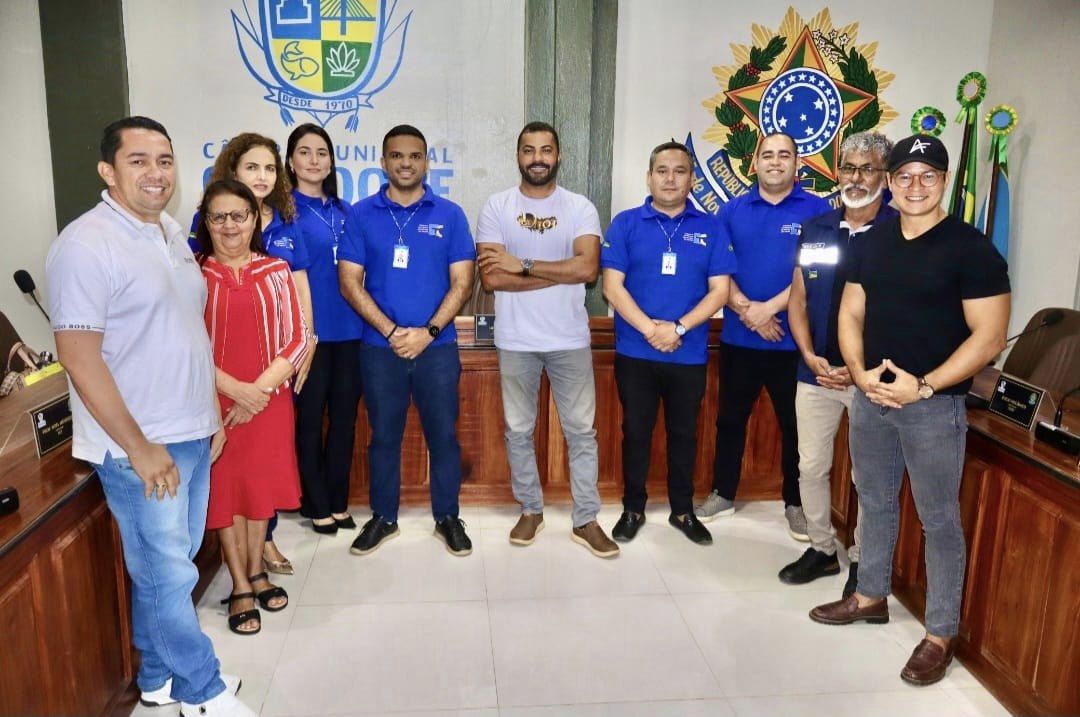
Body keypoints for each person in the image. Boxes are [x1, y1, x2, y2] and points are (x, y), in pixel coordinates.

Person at [46, 116, 252, 716]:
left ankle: (158, 679)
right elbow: (78, 357)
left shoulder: (167, 233)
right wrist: (138, 446)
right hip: (140, 444)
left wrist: (208, 417)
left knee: (173, 566)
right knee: (165, 570)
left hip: (189, 431)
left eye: (164, 159)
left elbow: (184, 334)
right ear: (108, 171)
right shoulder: (85, 244)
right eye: (138, 161)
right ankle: (202, 691)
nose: (155, 172)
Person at [809, 135, 1010, 686]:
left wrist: (922, 387)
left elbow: (989, 336)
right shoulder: (874, 242)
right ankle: (870, 594)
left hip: (932, 407)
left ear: (944, 182)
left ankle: (940, 632)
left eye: (927, 176)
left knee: (938, 519)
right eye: (904, 176)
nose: (914, 186)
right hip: (872, 397)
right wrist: (861, 373)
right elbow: (850, 312)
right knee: (874, 500)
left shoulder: (972, 249)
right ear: (889, 181)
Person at [475, 121, 619, 558]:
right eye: (529, 150)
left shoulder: (580, 207)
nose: (537, 157)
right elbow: (492, 278)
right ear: (517, 156)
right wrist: (553, 270)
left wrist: (523, 263)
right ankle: (531, 509)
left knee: (582, 432)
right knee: (518, 431)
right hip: (516, 340)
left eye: (546, 150)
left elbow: (587, 270)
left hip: (569, 339)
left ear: (559, 156)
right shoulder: (496, 207)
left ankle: (586, 519)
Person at [338, 125, 476, 557]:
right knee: (383, 437)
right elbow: (349, 283)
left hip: (437, 349)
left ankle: (448, 517)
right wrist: (393, 332)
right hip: (381, 350)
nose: (405, 163)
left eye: (414, 156)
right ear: (383, 162)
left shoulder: (450, 215)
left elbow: (463, 281)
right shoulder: (361, 214)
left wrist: (428, 332)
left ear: (426, 162)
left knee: (444, 437)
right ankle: (384, 517)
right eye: (397, 156)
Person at [695, 133, 830, 540]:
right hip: (740, 339)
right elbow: (718, 269)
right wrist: (747, 312)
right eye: (767, 155)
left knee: (796, 427)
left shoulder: (819, 211)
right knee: (730, 420)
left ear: (797, 163)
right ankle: (723, 493)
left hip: (795, 344)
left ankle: (795, 503)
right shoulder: (731, 211)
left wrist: (769, 309)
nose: (775, 162)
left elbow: (816, 273)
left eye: (784, 155)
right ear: (754, 163)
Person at [779, 132, 896, 595]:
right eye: (848, 168)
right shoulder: (817, 229)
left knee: (867, 475)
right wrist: (808, 353)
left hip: (870, 379)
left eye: (867, 168)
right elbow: (799, 298)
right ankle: (822, 548)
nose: (856, 177)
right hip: (815, 372)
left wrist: (857, 368)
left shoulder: (898, 232)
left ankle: (864, 563)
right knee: (810, 466)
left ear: (885, 177)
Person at [602, 141, 735, 545]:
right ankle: (633, 507)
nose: (671, 178)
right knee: (636, 432)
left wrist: (676, 329)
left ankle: (682, 510)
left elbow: (720, 292)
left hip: (688, 352)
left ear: (692, 179)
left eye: (680, 171)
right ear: (649, 176)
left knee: (684, 434)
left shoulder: (712, 227)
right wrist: (651, 330)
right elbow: (612, 287)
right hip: (635, 351)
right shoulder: (625, 223)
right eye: (662, 170)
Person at [194, 179, 310, 635]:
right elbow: (186, 344)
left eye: (238, 216)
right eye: (218, 217)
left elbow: (298, 337)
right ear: (206, 222)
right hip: (213, 399)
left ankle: (258, 570)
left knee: (259, 488)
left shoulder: (276, 270)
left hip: (270, 398)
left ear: (255, 219)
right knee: (226, 493)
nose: (229, 226)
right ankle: (240, 582)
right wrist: (234, 391)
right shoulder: (195, 273)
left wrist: (257, 391)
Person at [286, 123, 365, 541]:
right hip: (309, 337)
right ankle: (314, 503)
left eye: (321, 152)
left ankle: (337, 501)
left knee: (345, 420)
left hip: (351, 331)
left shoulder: (346, 210)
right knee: (310, 420)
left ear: (332, 161)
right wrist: (302, 335)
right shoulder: (283, 212)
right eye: (304, 152)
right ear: (291, 161)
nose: (314, 160)